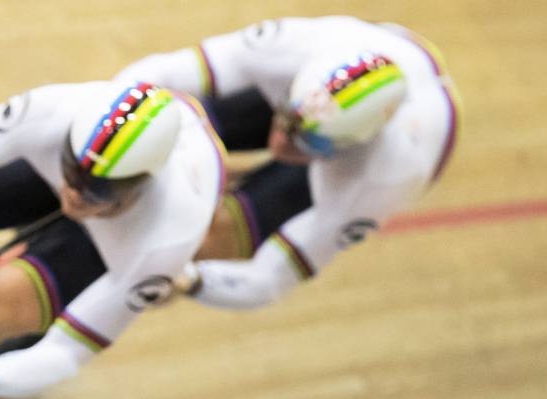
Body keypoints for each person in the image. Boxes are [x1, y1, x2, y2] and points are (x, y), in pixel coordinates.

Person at [110, 16, 460, 307]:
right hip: (324, 82)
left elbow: (267, 281)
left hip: (413, 140)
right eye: (286, 124)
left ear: (352, 144)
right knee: (170, 122)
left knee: (211, 237)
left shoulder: (381, 177)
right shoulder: (290, 48)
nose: (281, 144)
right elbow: (165, 74)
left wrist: (188, 278)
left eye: (310, 143)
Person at [0, 80, 224, 399]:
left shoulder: (166, 239)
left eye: (98, 189)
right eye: (71, 171)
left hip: (123, 233)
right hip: (53, 171)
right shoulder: (48, 114)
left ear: (140, 185)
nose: (75, 195)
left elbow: (68, 351)